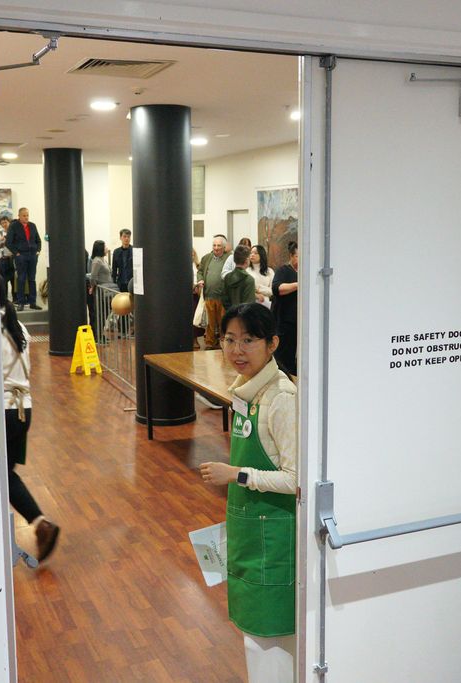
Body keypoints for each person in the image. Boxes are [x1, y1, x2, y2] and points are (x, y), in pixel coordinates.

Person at [199, 303, 297, 683]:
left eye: (249, 340)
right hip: (249, 533)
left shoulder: (280, 399)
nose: (237, 349)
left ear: (272, 343)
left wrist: (236, 474)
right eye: (229, 339)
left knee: (270, 642)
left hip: (272, 538)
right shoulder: (245, 392)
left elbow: (295, 479)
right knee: (257, 639)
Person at [0, 278, 59, 563]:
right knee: (5, 474)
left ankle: (38, 524)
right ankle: (39, 524)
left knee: (1, 475)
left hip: (6, 411)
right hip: (24, 409)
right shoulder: (17, 325)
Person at [196, 234, 229, 349]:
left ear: (224, 247)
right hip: (209, 296)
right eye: (214, 245)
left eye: (219, 245)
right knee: (210, 323)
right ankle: (209, 344)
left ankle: (223, 344)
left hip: (223, 297)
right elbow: (200, 271)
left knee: (223, 322)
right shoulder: (206, 258)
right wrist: (200, 279)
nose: (216, 248)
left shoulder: (229, 258)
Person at [7, 207, 42, 310]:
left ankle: (33, 302)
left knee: (32, 279)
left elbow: (38, 240)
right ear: (19, 216)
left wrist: (38, 251)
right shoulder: (14, 226)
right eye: (24, 215)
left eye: (27, 215)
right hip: (21, 256)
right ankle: (21, 302)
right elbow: (8, 242)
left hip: (32, 256)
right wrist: (16, 253)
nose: (26, 217)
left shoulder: (32, 226)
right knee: (21, 279)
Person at [272, 242, 299, 377]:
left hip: (297, 324)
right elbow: (277, 289)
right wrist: (298, 284)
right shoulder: (283, 270)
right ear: (291, 256)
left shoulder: (305, 272)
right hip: (283, 323)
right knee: (282, 358)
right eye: (297, 256)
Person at [88, 240, 113, 333]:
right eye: (105, 246)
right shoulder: (97, 261)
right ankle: (98, 334)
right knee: (101, 313)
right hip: (101, 291)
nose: (107, 248)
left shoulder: (103, 260)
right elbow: (93, 276)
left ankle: (100, 333)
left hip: (108, 290)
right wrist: (93, 286)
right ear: (100, 248)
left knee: (106, 312)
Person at [0, 216, 15, 300]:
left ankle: (15, 298)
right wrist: (1, 242)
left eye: (5, 222)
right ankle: (5, 298)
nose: (4, 224)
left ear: (9, 222)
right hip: (2, 259)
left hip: (12, 258)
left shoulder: (13, 232)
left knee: (14, 279)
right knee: (3, 280)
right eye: (2, 223)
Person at [111, 228, 133, 292]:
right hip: (121, 282)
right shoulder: (116, 252)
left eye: (128, 237)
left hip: (131, 282)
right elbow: (114, 268)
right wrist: (114, 282)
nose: (126, 238)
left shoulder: (134, 250)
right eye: (124, 236)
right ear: (120, 238)